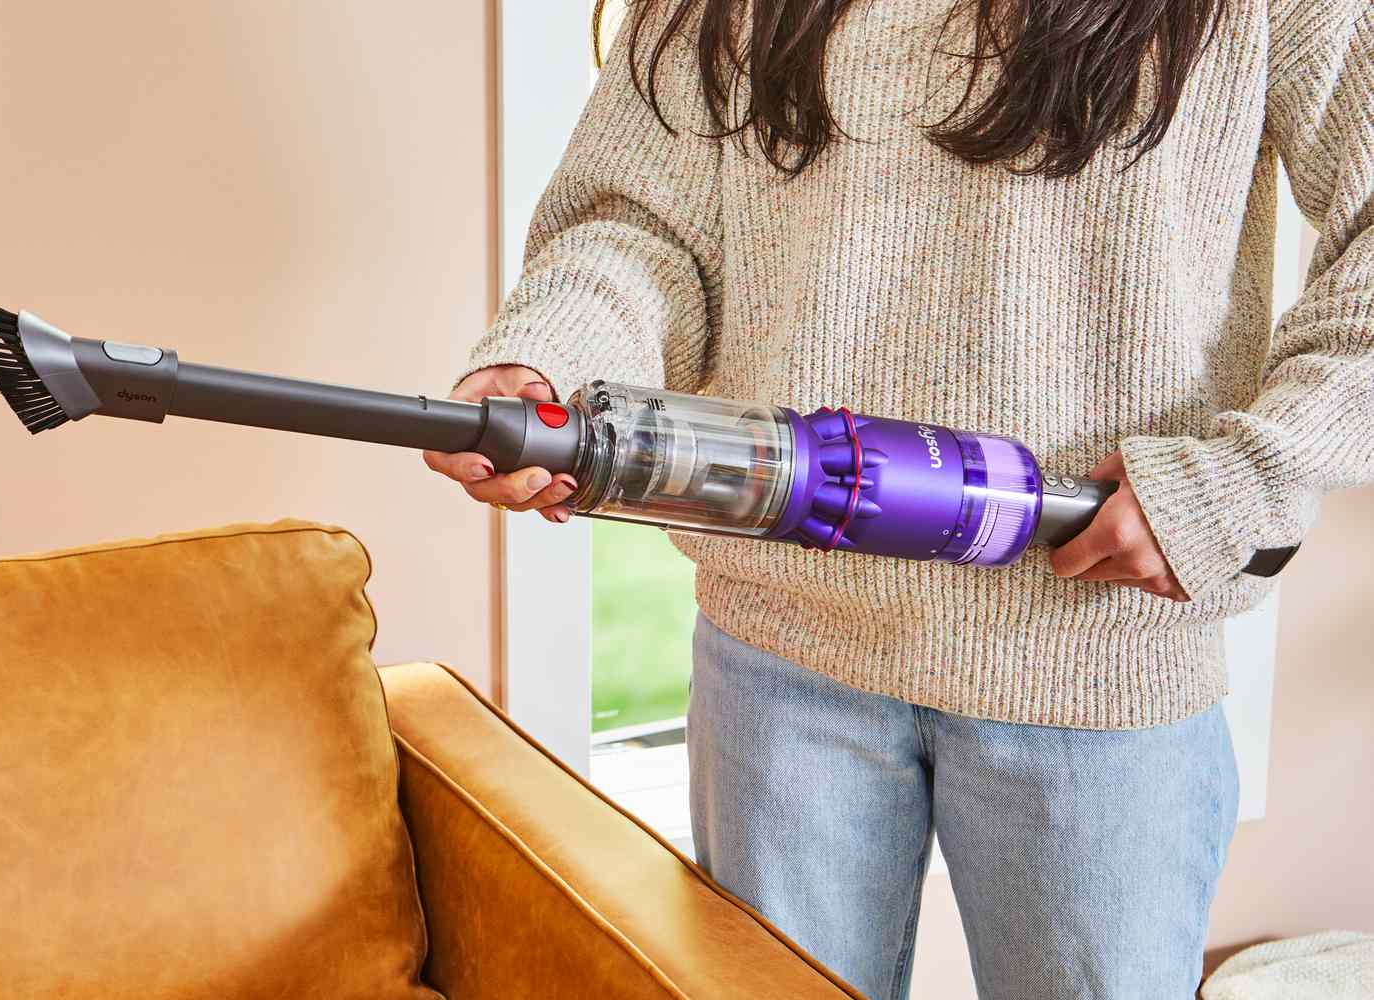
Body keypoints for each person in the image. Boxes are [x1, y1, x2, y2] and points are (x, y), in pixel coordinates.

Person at [425, 1, 1373, 996]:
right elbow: (642, 224)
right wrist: (546, 358)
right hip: (781, 663)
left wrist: (1246, 479)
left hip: (1093, 664)